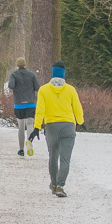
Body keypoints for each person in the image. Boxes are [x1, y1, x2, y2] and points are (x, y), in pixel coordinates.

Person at [29, 61, 84, 197]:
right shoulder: (70, 90)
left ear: (53, 73)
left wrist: (37, 127)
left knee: (53, 157)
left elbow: (40, 110)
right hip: (68, 126)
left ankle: (53, 184)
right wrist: (81, 121)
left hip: (52, 126)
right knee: (65, 159)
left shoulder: (44, 90)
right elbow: (77, 107)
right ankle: (60, 186)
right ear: (64, 74)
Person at [5, 57, 40, 156]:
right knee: (29, 124)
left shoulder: (14, 75)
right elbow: (38, 87)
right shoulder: (32, 75)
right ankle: (29, 143)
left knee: (21, 127)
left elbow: (11, 86)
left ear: (17, 66)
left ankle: (21, 149)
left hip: (19, 104)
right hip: (30, 103)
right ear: (25, 65)